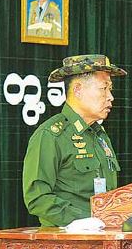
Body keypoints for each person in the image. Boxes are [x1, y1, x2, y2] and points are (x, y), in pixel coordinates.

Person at [24, 55, 126, 227]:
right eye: (104, 89)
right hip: (67, 238)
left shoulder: (99, 135)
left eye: (110, 89)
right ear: (78, 90)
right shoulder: (50, 135)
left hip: (105, 233)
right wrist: (82, 220)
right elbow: (37, 198)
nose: (110, 97)